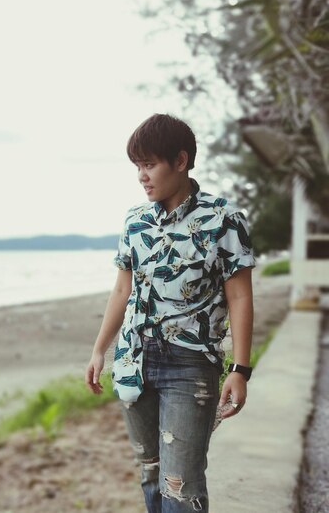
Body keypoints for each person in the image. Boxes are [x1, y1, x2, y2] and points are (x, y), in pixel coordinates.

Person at [84, 113, 255, 513]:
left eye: (149, 165)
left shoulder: (223, 219)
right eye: (137, 167)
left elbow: (241, 298)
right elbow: (123, 289)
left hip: (190, 364)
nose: (142, 176)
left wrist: (240, 369)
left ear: (180, 161)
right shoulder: (134, 220)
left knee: (182, 483)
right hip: (133, 360)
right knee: (151, 473)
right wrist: (99, 350)